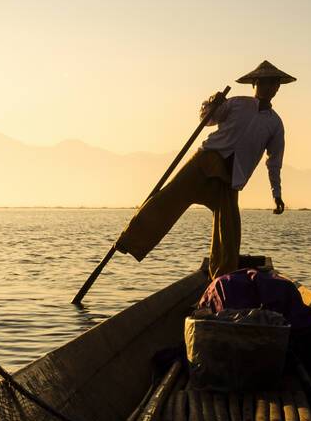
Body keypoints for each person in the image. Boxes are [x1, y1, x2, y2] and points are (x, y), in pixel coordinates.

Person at [114, 60, 293, 277]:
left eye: (273, 84)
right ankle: (130, 240)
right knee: (168, 198)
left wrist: (277, 194)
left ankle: (222, 278)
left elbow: (274, 162)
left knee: (229, 231)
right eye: (264, 83)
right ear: (254, 84)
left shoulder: (275, 124)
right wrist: (212, 104)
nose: (269, 88)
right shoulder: (237, 103)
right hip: (206, 162)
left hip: (230, 178)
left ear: (278, 88)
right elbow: (207, 119)